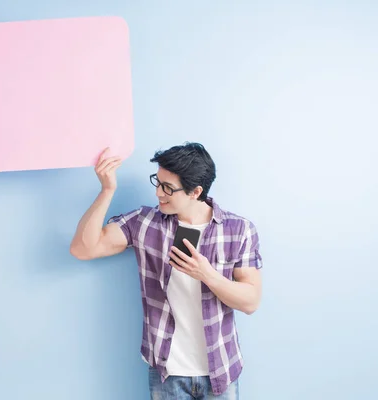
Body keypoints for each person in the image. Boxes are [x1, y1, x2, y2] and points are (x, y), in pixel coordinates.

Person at [70, 143, 262, 399]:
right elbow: (83, 249)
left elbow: (251, 302)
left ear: (195, 192)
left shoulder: (239, 230)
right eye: (157, 182)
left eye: (168, 188)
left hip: (222, 370)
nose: (158, 193)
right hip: (167, 373)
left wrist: (207, 274)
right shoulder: (144, 222)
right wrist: (107, 190)